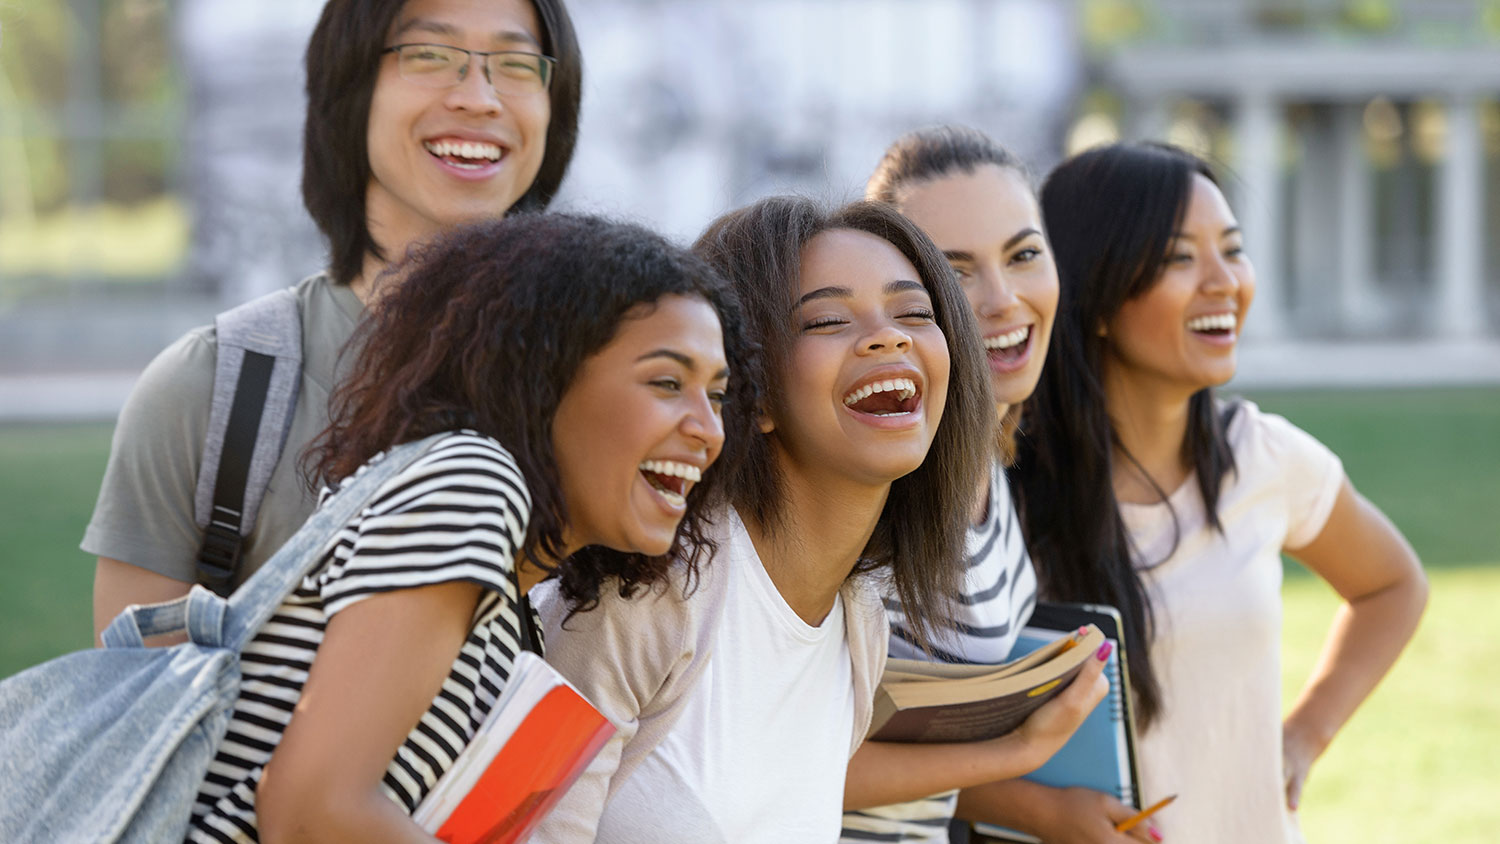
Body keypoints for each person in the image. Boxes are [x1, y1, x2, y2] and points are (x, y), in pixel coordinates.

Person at [531, 197, 1109, 844]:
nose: (888, 336)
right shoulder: (645, 592)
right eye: (829, 320)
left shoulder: (860, 627)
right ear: (754, 392)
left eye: (914, 313)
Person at [186, 212, 757, 842]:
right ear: (544, 380)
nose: (709, 429)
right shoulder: (468, 485)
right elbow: (310, 811)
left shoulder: (511, 614)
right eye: (668, 382)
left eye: (718, 395)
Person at [975, 142, 1428, 844]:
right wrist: (1039, 813)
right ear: (1095, 296)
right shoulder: (994, 488)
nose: (1225, 282)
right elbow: (894, 744)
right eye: (1179, 258)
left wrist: (1305, 734)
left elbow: (1394, 586)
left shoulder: (1264, 458)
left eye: (1233, 250)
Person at [86, 0, 583, 638]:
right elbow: (139, 716)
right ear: (348, 91)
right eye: (430, 54)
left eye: (516, 63)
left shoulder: (614, 383)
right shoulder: (211, 391)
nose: (479, 98)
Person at [839, 125, 1076, 843]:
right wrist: (1016, 755)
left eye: (1024, 255)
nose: (1004, 299)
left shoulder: (991, 462)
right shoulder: (879, 489)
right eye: (957, 271)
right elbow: (785, 746)